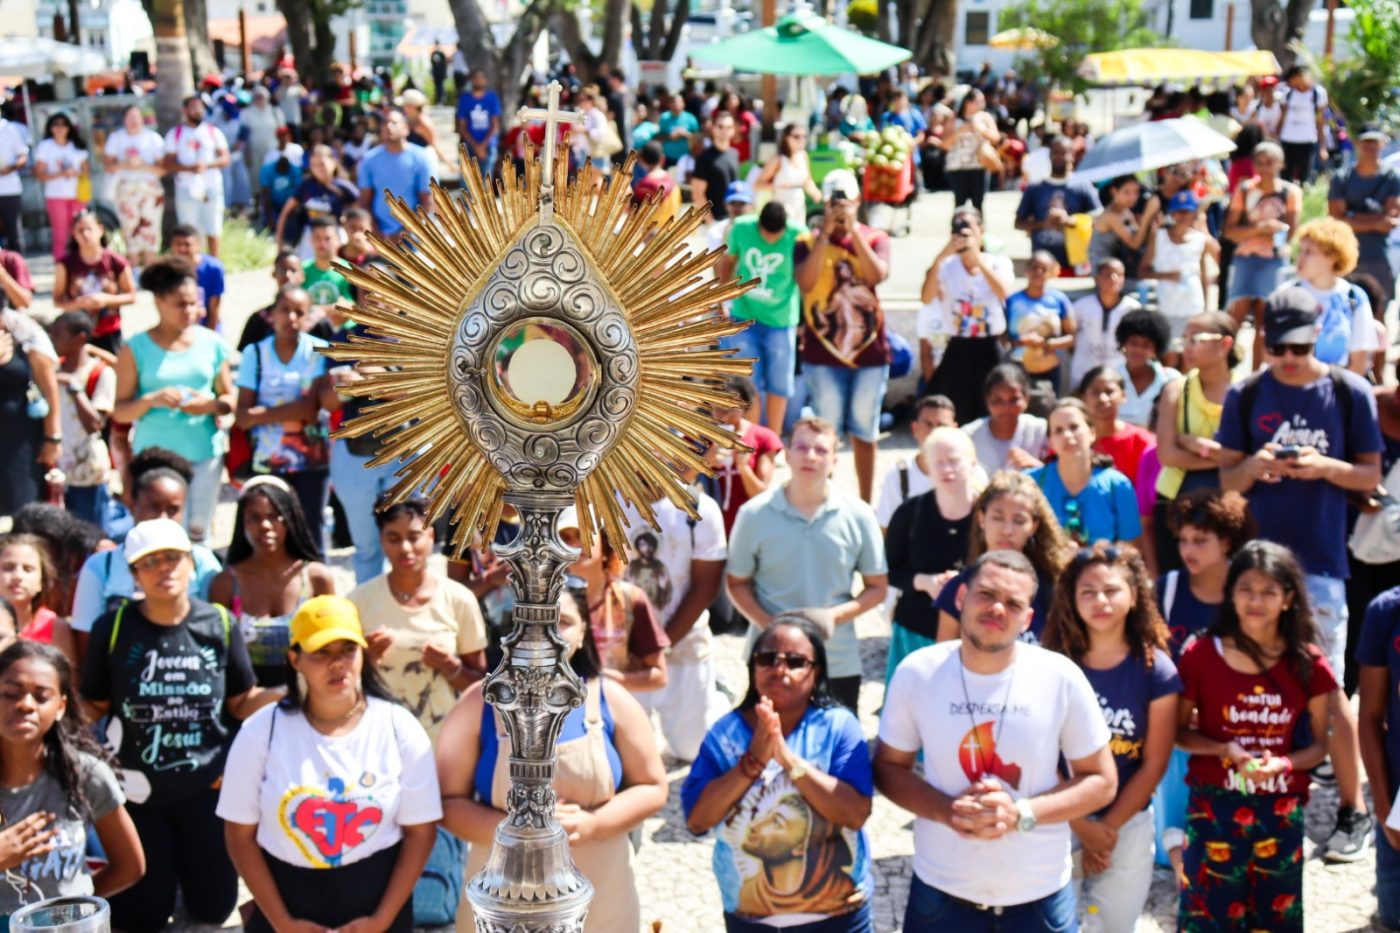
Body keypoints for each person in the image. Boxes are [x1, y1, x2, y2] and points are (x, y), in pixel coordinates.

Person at [1216, 287, 1382, 863]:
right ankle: (1277, 792)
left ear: (1317, 338)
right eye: (1276, 345)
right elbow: (1225, 483)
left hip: (1323, 564)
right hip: (1254, 568)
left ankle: (1350, 809)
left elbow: (1369, 475)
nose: (1286, 357)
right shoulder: (1244, 394)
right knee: (1262, 685)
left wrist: (1324, 467)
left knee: (1330, 690)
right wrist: (1254, 466)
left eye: (1298, 345)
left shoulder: (1346, 390)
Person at [874, 549, 1116, 930]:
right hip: (941, 893)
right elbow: (888, 768)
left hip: (1040, 896)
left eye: (1013, 603)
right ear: (960, 598)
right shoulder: (917, 673)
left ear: (1028, 618)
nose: (997, 609)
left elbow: (1102, 781)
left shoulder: (1059, 677)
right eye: (986, 595)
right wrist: (947, 811)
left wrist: (1022, 813)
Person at [80, 518, 275, 933]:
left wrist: (295, 693)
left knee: (213, 907)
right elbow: (93, 706)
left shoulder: (218, 624)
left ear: (191, 564)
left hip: (207, 791)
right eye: (149, 563)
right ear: (134, 574)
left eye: (172, 558)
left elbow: (241, 702)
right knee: (143, 916)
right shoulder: (112, 628)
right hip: (137, 795)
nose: (164, 569)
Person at [437, 590, 668, 933]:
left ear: (584, 632)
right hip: (501, 905)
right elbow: (447, 801)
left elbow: (653, 785)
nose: (547, 634)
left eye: (563, 622)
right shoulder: (480, 704)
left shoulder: (610, 700)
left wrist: (594, 824)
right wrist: (519, 835)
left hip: (603, 899)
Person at [218, 596, 438, 933]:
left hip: (378, 906)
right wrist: (282, 922)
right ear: (295, 659)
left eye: (347, 649)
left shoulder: (399, 727)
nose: (337, 664)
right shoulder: (259, 733)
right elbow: (239, 836)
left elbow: (420, 832)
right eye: (321, 652)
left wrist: (380, 921)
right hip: (287, 905)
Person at [1175, 541, 1335, 931]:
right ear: (1230, 593)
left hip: (1280, 811)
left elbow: (1319, 746)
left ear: (1288, 598)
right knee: (1208, 916)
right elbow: (1179, 733)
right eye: (1246, 588)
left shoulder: (1308, 663)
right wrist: (1222, 749)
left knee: (1274, 917)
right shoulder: (1200, 655)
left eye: (1269, 591)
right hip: (1213, 808)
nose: (1256, 601)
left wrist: (1284, 763)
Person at [682, 612, 875, 932]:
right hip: (751, 923)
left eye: (796, 661)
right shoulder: (725, 734)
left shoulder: (838, 727)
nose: (779, 669)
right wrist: (753, 762)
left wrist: (787, 760)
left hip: (839, 921)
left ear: (817, 672)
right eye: (767, 658)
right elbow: (697, 820)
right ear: (752, 666)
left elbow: (854, 814)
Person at [1035, 543, 1177, 931]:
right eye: (1088, 591)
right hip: (1060, 817)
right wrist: (1084, 826)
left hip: (1127, 824)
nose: (1101, 600)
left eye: (1112, 590)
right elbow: (1040, 754)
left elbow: (1155, 763)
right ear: (1071, 598)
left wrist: (1107, 830)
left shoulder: (1156, 670)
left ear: (1134, 596)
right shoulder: (1053, 665)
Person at [727, 417, 888, 713]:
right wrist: (769, 624)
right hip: (770, 660)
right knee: (767, 750)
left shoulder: (860, 516)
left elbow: (877, 587)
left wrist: (832, 618)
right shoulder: (753, 515)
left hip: (837, 660)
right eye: (801, 447)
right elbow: (736, 582)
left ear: (835, 460)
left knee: (836, 753)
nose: (810, 456)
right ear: (786, 454)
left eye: (821, 450)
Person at [0, 641, 144, 920]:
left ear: (61, 706)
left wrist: (71, 912)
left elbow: (130, 865)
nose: (25, 705)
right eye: (10, 693)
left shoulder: (87, 775)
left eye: (41, 697)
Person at [113, 258, 234, 544]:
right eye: (181, 304)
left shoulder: (212, 344)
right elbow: (119, 411)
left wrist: (210, 405)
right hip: (154, 459)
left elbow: (229, 398)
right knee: (156, 535)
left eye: (195, 303)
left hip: (204, 455)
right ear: (158, 302)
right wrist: (150, 400)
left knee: (197, 534)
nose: (190, 311)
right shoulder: (135, 348)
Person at [351, 495, 487, 738]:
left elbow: (480, 686)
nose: (405, 548)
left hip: (444, 747)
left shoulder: (459, 599)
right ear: (381, 541)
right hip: (379, 742)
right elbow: (342, 684)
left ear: (431, 536)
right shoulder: (358, 602)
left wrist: (450, 667)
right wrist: (365, 661)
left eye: (414, 537)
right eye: (393, 538)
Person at [794, 171, 892, 503]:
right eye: (834, 202)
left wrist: (852, 230)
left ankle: (865, 502)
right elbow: (805, 283)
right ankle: (827, 499)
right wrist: (825, 235)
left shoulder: (876, 237)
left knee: (865, 431)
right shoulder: (806, 241)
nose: (839, 208)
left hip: (870, 352)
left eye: (845, 202)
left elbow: (876, 275)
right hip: (822, 355)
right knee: (826, 434)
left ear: (857, 202)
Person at [68, 449, 223, 652]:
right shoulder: (100, 567)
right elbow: (86, 643)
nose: (162, 518)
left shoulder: (203, 562)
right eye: (153, 507)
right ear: (132, 505)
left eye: (173, 509)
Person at [621, 473, 728, 762]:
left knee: (691, 748)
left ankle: (719, 699)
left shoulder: (699, 509)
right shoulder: (605, 500)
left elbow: (706, 585)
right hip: (623, 646)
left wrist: (659, 644)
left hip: (683, 640)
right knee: (631, 752)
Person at [209, 478, 334, 687]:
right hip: (246, 702)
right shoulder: (226, 583)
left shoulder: (316, 578)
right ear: (242, 523)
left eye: (274, 516)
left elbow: (332, 644)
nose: (265, 526)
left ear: (289, 518)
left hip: (308, 698)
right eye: (254, 518)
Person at [884, 428, 985, 681]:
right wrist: (925, 583)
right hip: (914, 629)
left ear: (972, 464)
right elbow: (888, 571)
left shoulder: (988, 514)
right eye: (938, 462)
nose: (946, 469)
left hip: (976, 631)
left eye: (953, 460)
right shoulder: (909, 514)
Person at [934, 471, 1073, 646]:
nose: (1007, 530)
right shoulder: (958, 588)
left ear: (1034, 526)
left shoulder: (1052, 588)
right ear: (982, 519)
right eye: (998, 518)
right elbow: (943, 656)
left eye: (1019, 520)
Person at [235, 284, 330, 526]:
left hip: (311, 460)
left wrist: (261, 414)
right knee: (271, 528)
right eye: (284, 310)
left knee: (310, 528)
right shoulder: (254, 353)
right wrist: (293, 409)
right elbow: (243, 417)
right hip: (266, 459)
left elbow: (309, 412)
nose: (291, 318)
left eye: (299, 312)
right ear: (272, 313)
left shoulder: (319, 351)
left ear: (309, 317)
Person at [1153, 312, 1241, 570]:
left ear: (1225, 344)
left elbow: (1248, 456)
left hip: (1231, 507)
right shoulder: (1176, 389)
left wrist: (1198, 446)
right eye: (1185, 339)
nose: (1187, 348)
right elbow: (1167, 455)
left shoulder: (1248, 391)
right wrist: (1224, 458)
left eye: (1197, 339)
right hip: (1176, 505)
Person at [716, 202, 808, 432]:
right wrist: (720, 299)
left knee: (780, 385)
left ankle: (772, 443)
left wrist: (806, 320)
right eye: (765, 236)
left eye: (775, 237)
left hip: (783, 320)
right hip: (744, 317)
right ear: (758, 225)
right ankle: (751, 441)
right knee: (748, 385)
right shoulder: (741, 228)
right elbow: (727, 262)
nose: (769, 241)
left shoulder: (799, 235)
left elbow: (806, 279)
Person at [918, 206, 1013, 423]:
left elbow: (1004, 292)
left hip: (990, 345)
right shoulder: (945, 266)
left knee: (995, 402)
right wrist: (942, 255)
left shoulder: (998, 262)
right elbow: (926, 298)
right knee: (954, 406)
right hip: (959, 345)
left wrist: (976, 257)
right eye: (957, 228)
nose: (961, 232)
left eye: (967, 227)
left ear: (981, 230)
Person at [559, 507, 669, 695]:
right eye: (565, 539)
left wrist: (608, 684)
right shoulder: (542, 603)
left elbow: (659, 676)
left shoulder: (631, 599)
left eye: (582, 534)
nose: (575, 544)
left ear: (604, 542)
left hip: (614, 714)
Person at [1224, 141, 1300, 369]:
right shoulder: (1246, 189)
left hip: (1273, 261)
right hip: (1245, 258)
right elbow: (1230, 231)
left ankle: (1256, 373)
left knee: (1263, 321)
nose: (1265, 168)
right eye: (1260, 163)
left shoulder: (1290, 192)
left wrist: (1273, 231)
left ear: (1281, 164)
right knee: (1235, 317)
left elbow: (1291, 231)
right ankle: (1224, 368)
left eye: (1270, 163)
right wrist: (1259, 228)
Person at [1032, 398, 1142, 547]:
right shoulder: (1032, 483)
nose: (1068, 435)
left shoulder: (1118, 485)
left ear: (1092, 433)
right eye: (1058, 430)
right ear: (1051, 442)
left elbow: (1130, 548)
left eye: (1074, 427)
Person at [1276, 217, 1376, 375]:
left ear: (1333, 257)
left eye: (1309, 252)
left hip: (1338, 390)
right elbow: (1273, 355)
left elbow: (1359, 360)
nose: (1300, 258)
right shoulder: (1286, 294)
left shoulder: (1354, 297)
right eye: (1300, 250)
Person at [50, 311, 115, 526]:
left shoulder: (100, 373)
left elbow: (95, 424)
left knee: (90, 532)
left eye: (58, 334)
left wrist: (74, 388)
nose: (53, 339)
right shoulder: (51, 370)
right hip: (56, 470)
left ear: (80, 338)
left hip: (88, 472)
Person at [1329, 123, 1400, 312]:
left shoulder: (1392, 177)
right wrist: (1376, 221)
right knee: (1344, 310)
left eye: (1374, 142)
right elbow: (1337, 220)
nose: (1370, 147)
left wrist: (1352, 217)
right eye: (1366, 142)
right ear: (1357, 144)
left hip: (1378, 255)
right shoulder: (1342, 177)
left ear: (1383, 144)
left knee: (1378, 311)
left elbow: (1391, 220)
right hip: (1347, 256)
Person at [0, 303, 61, 519]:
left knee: (23, 511)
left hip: (20, 443)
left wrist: (52, 438)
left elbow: (49, 388)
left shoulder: (24, 334)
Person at [52, 209, 136, 356]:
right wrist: (79, 303)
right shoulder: (65, 264)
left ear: (101, 230)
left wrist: (106, 300)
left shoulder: (116, 261)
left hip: (109, 330)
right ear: (73, 234)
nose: (85, 235)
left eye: (89, 229)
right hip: (77, 331)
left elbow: (132, 296)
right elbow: (58, 300)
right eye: (80, 230)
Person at [1142, 191, 1219, 347]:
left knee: (1190, 352)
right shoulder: (1159, 237)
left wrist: (1206, 308)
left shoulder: (1200, 239)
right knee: (1169, 353)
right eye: (1179, 211)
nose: (1182, 216)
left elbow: (1204, 275)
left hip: (1193, 306)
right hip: (1166, 307)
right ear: (1172, 213)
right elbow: (1142, 270)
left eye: (1187, 211)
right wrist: (1166, 276)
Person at [1014, 135, 1101, 269]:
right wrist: (1043, 223)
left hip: (1075, 260)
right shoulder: (1035, 188)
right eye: (1055, 152)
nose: (1059, 156)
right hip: (1043, 262)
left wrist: (1072, 222)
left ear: (1072, 155)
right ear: (1049, 155)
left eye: (1064, 152)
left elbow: (1099, 218)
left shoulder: (1082, 185)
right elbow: (1018, 223)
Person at [875, 395, 956, 529]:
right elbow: (886, 530)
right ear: (914, 428)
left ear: (955, 429)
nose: (934, 432)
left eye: (942, 425)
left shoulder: (971, 473)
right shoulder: (898, 476)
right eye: (928, 424)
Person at [163, 95, 230, 258]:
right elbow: (168, 162)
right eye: (193, 107)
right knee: (189, 231)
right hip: (186, 188)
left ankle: (214, 264)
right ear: (185, 111)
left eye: (200, 107)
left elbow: (225, 158)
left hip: (211, 187)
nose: (198, 110)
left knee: (213, 228)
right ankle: (191, 267)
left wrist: (206, 165)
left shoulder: (213, 132)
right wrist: (189, 168)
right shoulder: (176, 134)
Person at [1004, 251, 1076, 403]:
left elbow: (1072, 337)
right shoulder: (1012, 301)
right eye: (1034, 267)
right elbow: (1002, 335)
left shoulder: (1059, 300)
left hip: (1049, 368)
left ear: (1052, 272)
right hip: (1018, 367)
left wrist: (1045, 344)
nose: (1038, 272)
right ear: (1026, 270)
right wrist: (1021, 342)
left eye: (1044, 269)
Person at [103, 104, 165, 267]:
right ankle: (134, 270)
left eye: (137, 117)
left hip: (150, 189)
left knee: (151, 229)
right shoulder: (116, 138)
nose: (134, 121)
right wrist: (125, 164)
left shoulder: (153, 138)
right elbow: (108, 166)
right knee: (129, 229)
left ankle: (151, 269)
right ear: (124, 120)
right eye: (130, 117)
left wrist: (142, 165)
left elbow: (162, 169)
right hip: (125, 189)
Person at [357, 109, 434, 241]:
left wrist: (405, 233)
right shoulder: (369, 159)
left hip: (414, 237)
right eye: (385, 123)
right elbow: (364, 201)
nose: (389, 127)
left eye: (394, 123)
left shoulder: (422, 158)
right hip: (380, 236)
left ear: (406, 129)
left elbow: (427, 201)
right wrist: (377, 232)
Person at [960, 365, 1046, 474]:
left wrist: (1038, 467)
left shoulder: (1041, 431)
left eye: (1014, 399)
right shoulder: (968, 436)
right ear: (987, 401)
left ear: (1026, 398)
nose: (1006, 407)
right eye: (998, 400)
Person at [276, 144, 359, 257]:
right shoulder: (305, 186)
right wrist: (279, 238)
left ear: (334, 162)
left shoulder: (343, 187)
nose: (319, 169)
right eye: (314, 165)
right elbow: (286, 211)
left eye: (322, 164)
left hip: (335, 235)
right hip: (310, 236)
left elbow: (359, 213)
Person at [1071, 258, 1142, 390]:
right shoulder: (1081, 306)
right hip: (1083, 372)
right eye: (1108, 274)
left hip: (1119, 373)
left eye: (1119, 275)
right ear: (1097, 278)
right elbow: (1070, 335)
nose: (1113, 278)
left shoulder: (1133, 309)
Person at [1080, 366, 1155, 486]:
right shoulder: (1073, 439)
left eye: (1109, 392)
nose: (1103, 398)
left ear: (1124, 396)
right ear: (1084, 399)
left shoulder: (1142, 441)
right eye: (1095, 392)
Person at [33, 112, 89, 262]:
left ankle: (80, 263)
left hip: (77, 195)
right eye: (56, 124)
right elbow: (39, 174)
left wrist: (75, 173)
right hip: (55, 195)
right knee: (60, 234)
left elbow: (85, 170)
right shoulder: (46, 147)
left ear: (69, 127)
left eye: (63, 124)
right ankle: (61, 266)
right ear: (50, 128)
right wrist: (60, 174)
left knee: (79, 231)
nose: (60, 128)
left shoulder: (77, 146)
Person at [1114, 309, 1179, 428]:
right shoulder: (1109, 379)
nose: (1138, 350)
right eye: (1134, 343)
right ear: (1123, 344)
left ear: (1156, 350)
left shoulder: (1172, 380)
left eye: (1146, 345)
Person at [939, 88, 1000, 214]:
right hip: (957, 167)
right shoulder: (954, 118)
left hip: (979, 166)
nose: (982, 104)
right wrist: (960, 131)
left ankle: (978, 231)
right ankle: (958, 230)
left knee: (978, 203)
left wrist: (982, 130)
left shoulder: (985, 117)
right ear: (968, 102)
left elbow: (996, 139)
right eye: (979, 101)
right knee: (959, 203)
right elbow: (944, 145)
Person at [1089, 176, 1156, 278]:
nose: (1133, 197)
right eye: (1127, 192)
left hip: (1120, 269)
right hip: (1105, 276)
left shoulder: (1125, 211)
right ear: (1114, 191)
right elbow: (1134, 244)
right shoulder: (1111, 216)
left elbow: (1139, 237)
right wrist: (1147, 215)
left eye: (1136, 192)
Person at [755, 123, 820, 228]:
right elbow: (757, 185)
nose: (801, 140)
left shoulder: (803, 156)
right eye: (796, 136)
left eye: (804, 136)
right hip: (780, 208)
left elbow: (807, 181)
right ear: (786, 138)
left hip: (798, 206)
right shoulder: (778, 159)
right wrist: (777, 186)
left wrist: (814, 192)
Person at [1276, 63, 1328, 183]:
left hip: (1307, 140)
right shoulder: (1287, 93)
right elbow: (1282, 118)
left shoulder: (1317, 94)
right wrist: (1277, 138)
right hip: (1287, 139)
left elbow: (1320, 121)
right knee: (1285, 176)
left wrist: (1323, 146)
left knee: (1305, 177)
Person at [168, 223, 225, 332]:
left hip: (206, 325)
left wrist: (210, 335)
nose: (182, 249)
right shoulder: (169, 269)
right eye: (177, 244)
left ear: (198, 245)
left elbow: (214, 307)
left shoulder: (214, 268)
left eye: (187, 244)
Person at [693, 111, 744, 224]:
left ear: (733, 130)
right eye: (720, 126)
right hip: (713, 221)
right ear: (713, 129)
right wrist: (711, 222)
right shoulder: (704, 157)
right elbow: (697, 193)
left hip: (732, 220)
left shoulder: (734, 153)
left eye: (728, 127)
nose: (724, 130)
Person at [455, 69, 502, 176]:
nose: (479, 80)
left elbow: (495, 124)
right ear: (471, 80)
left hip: (488, 145)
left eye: (481, 78)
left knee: (485, 183)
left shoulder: (492, 98)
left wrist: (483, 145)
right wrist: (476, 146)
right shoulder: (464, 99)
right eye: (476, 78)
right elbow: (462, 126)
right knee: (467, 182)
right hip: (469, 144)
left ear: (485, 80)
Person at [631, 141, 680, 228]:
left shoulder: (644, 185)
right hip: (668, 231)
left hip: (648, 234)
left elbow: (633, 212)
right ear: (662, 159)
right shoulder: (673, 182)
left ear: (641, 160)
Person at [0, 106, 27, 251]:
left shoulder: (8, 128)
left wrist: (9, 168)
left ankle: (18, 271)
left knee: (13, 233)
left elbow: (23, 156)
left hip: (10, 189)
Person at [658, 94, 698, 180]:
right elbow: (659, 137)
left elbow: (697, 138)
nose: (677, 104)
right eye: (674, 102)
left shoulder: (690, 118)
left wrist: (685, 134)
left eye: (679, 102)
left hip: (685, 158)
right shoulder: (664, 118)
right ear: (670, 104)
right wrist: (670, 137)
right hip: (668, 158)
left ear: (684, 104)